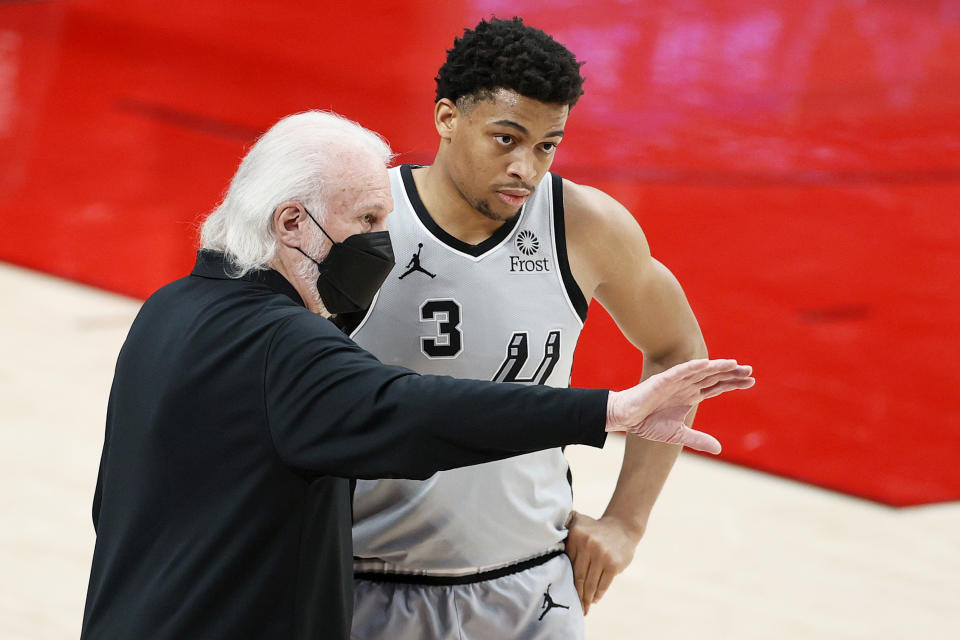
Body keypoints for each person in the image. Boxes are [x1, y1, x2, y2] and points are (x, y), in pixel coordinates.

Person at [79, 110, 753, 640]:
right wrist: (604, 411)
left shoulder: (168, 309)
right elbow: (416, 410)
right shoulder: (285, 347)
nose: (382, 243)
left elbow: (109, 504)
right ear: (291, 223)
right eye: (369, 221)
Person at [347, 17, 726, 640]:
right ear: (447, 118)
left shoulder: (583, 224)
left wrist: (626, 522)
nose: (526, 167)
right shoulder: (362, 221)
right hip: (368, 582)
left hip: (531, 586)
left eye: (547, 145)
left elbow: (676, 349)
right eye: (506, 138)